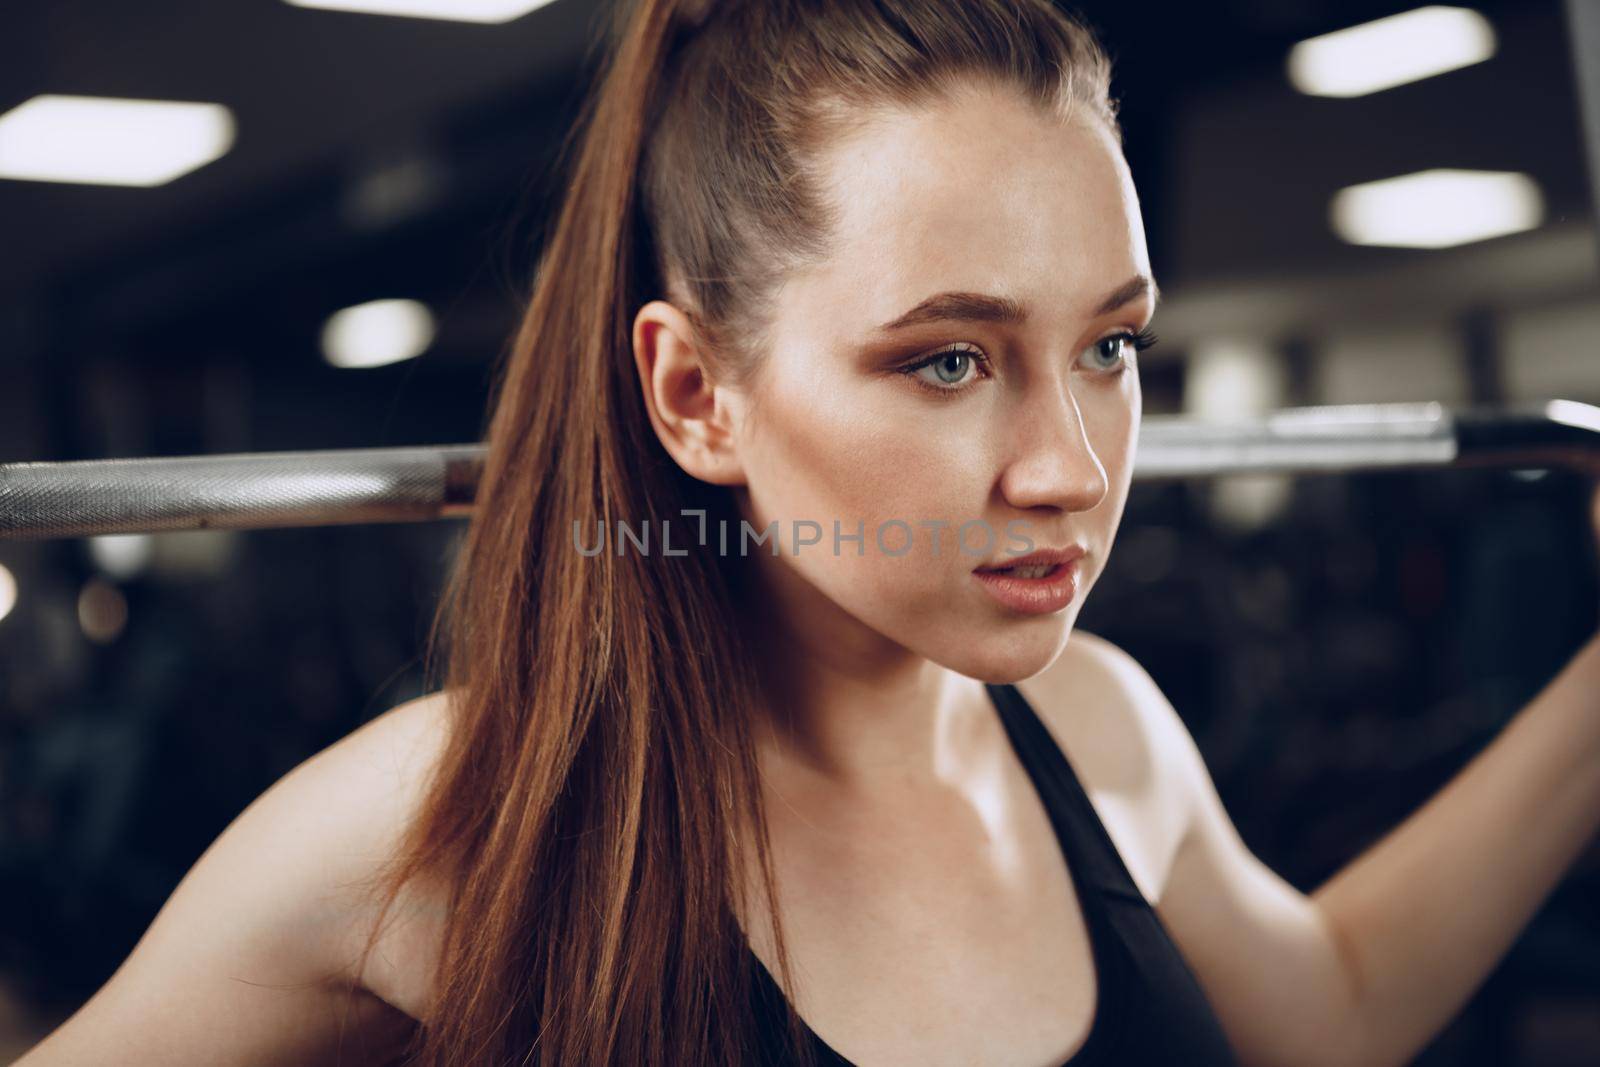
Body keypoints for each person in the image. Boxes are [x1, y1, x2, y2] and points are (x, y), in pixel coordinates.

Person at [17, 0, 1600, 1065]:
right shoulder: (448, 821)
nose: (1068, 468)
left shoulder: (1096, 725)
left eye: (1111, 345)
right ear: (697, 393)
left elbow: (1327, 1010)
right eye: (949, 359)